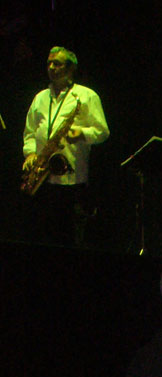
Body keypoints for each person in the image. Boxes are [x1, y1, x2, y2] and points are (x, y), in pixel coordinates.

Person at [21, 46, 109, 245]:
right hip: (42, 178)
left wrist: (82, 134)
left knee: (68, 239)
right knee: (42, 237)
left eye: (57, 64)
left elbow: (103, 132)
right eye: (49, 63)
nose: (51, 67)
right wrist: (30, 154)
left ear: (71, 69)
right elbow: (30, 132)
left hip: (72, 181)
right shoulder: (40, 97)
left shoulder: (86, 96)